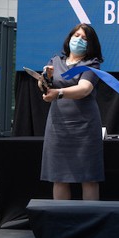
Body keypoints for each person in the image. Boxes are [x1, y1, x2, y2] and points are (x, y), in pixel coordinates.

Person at [40, 24, 105, 201]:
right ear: (69, 38)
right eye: (76, 35)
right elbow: (44, 86)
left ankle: (90, 223)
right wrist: (44, 78)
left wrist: (59, 93)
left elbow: (84, 89)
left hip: (85, 126)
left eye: (84, 38)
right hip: (58, 125)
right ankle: (61, 223)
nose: (79, 40)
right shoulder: (55, 61)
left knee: (89, 177)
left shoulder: (91, 64)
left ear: (91, 44)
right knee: (59, 177)